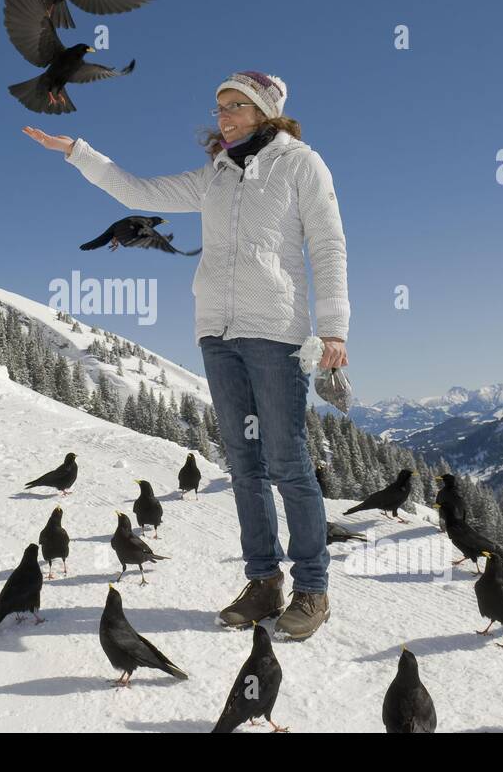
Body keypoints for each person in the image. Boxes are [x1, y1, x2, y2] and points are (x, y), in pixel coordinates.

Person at [25, 71, 350, 640]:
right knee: (244, 467)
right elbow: (138, 193)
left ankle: (313, 590)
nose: (223, 115)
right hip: (217, 335)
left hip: (276, 331)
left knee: (288, 463)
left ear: (265, 111)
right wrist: (78, 152)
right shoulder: (215, 175)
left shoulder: (301, 164)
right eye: (220, 106)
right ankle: (263, 582)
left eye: (236, 106)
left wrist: (335, 330)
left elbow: (328, 245)